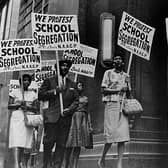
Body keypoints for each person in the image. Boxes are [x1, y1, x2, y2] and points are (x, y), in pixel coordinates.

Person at [38, 59, 79, 168]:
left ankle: (57, 166)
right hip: (52, 118)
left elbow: (76, 101)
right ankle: (46, 165)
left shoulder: (72, 84)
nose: (65, 67)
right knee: (48, 143)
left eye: (67, 66)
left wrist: (69, 110)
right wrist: (56, 91)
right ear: (57, 68)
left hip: (65, 119)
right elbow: (40, 95)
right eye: (62, 65)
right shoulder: (49, 81)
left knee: (61, 145)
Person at [98, 55, 131, 168]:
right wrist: (118, 89)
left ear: (122, 62)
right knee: (111, 135)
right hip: (111, 105)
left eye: (120, 59)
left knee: (122, 135)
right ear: (113, 62)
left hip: (123, 106)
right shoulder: (108, 73)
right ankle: (102, 158)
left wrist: (128, 87)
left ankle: (119, 164)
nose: (118, 60)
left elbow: (129, 94)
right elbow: (103, 90)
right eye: (116, 58)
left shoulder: (126, 75)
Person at [8, 74, 39, 168]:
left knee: (26, 142)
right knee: (17, 141)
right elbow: (9, 106)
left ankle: (24, 163)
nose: (26, 82)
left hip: (28, 118)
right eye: (24, 80)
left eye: (28, 80)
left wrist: (28, 107)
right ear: (21, 82)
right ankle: (17, 164)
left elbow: (36, 108)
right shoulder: (14, 92)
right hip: (17, 118)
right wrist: (18, 104)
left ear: (30, 82)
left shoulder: (33, 94)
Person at [63, 82, 93, 168]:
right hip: (73, 119)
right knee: (69, 143)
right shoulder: (71, 97)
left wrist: (90, 125)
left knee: (78, 144)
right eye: (79, 85)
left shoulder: (85, 98)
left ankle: (75, 166)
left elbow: (88, 112)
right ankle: (66, 164)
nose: (81, 87)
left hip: (82, 121)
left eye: (82, 85)